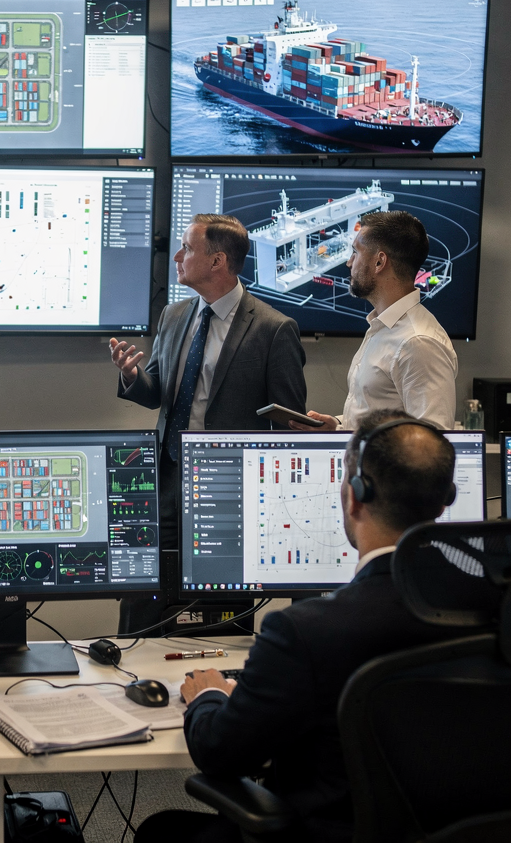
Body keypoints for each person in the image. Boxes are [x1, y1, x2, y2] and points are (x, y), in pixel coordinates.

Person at [134, 409, 468, 843]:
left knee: (160, 832)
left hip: (325, 834)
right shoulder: (493, 612)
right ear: (444, 503)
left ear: (352, 496)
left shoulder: (306, 632)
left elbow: (220, 753)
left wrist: (211, 694)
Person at [109, 214, 306, 633]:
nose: (177, 256)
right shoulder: (175, 315)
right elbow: (158, 391)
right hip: (165, 478)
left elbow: (290, 430)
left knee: (219, 614)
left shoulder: (274, 329)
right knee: (142, 597)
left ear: (217, 261)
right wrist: (131, 376)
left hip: (228, 493)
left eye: (188, 248)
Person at [290, 210, 457, 433]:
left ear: (379, 262)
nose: (349, 263)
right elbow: (379, 417)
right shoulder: (383, 327)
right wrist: (339, 427)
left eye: (355, 253)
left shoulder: (418, 342)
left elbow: (430, 446)